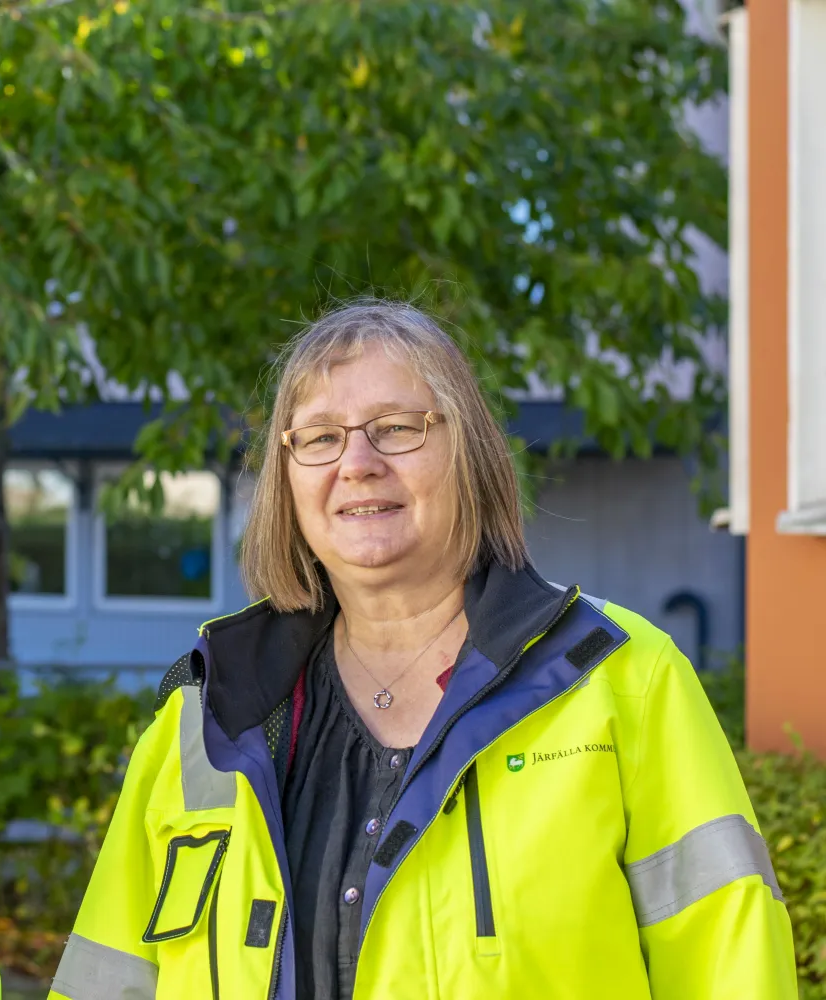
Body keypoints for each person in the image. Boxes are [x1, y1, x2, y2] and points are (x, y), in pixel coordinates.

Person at [50, 301, 795, 1000]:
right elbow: (107, 978)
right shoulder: (209, 717)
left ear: (468, 452)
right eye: (319, 437)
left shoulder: (620, 678)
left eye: (398, 427)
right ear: (287, 478)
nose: (358, 462)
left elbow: (729, 961)